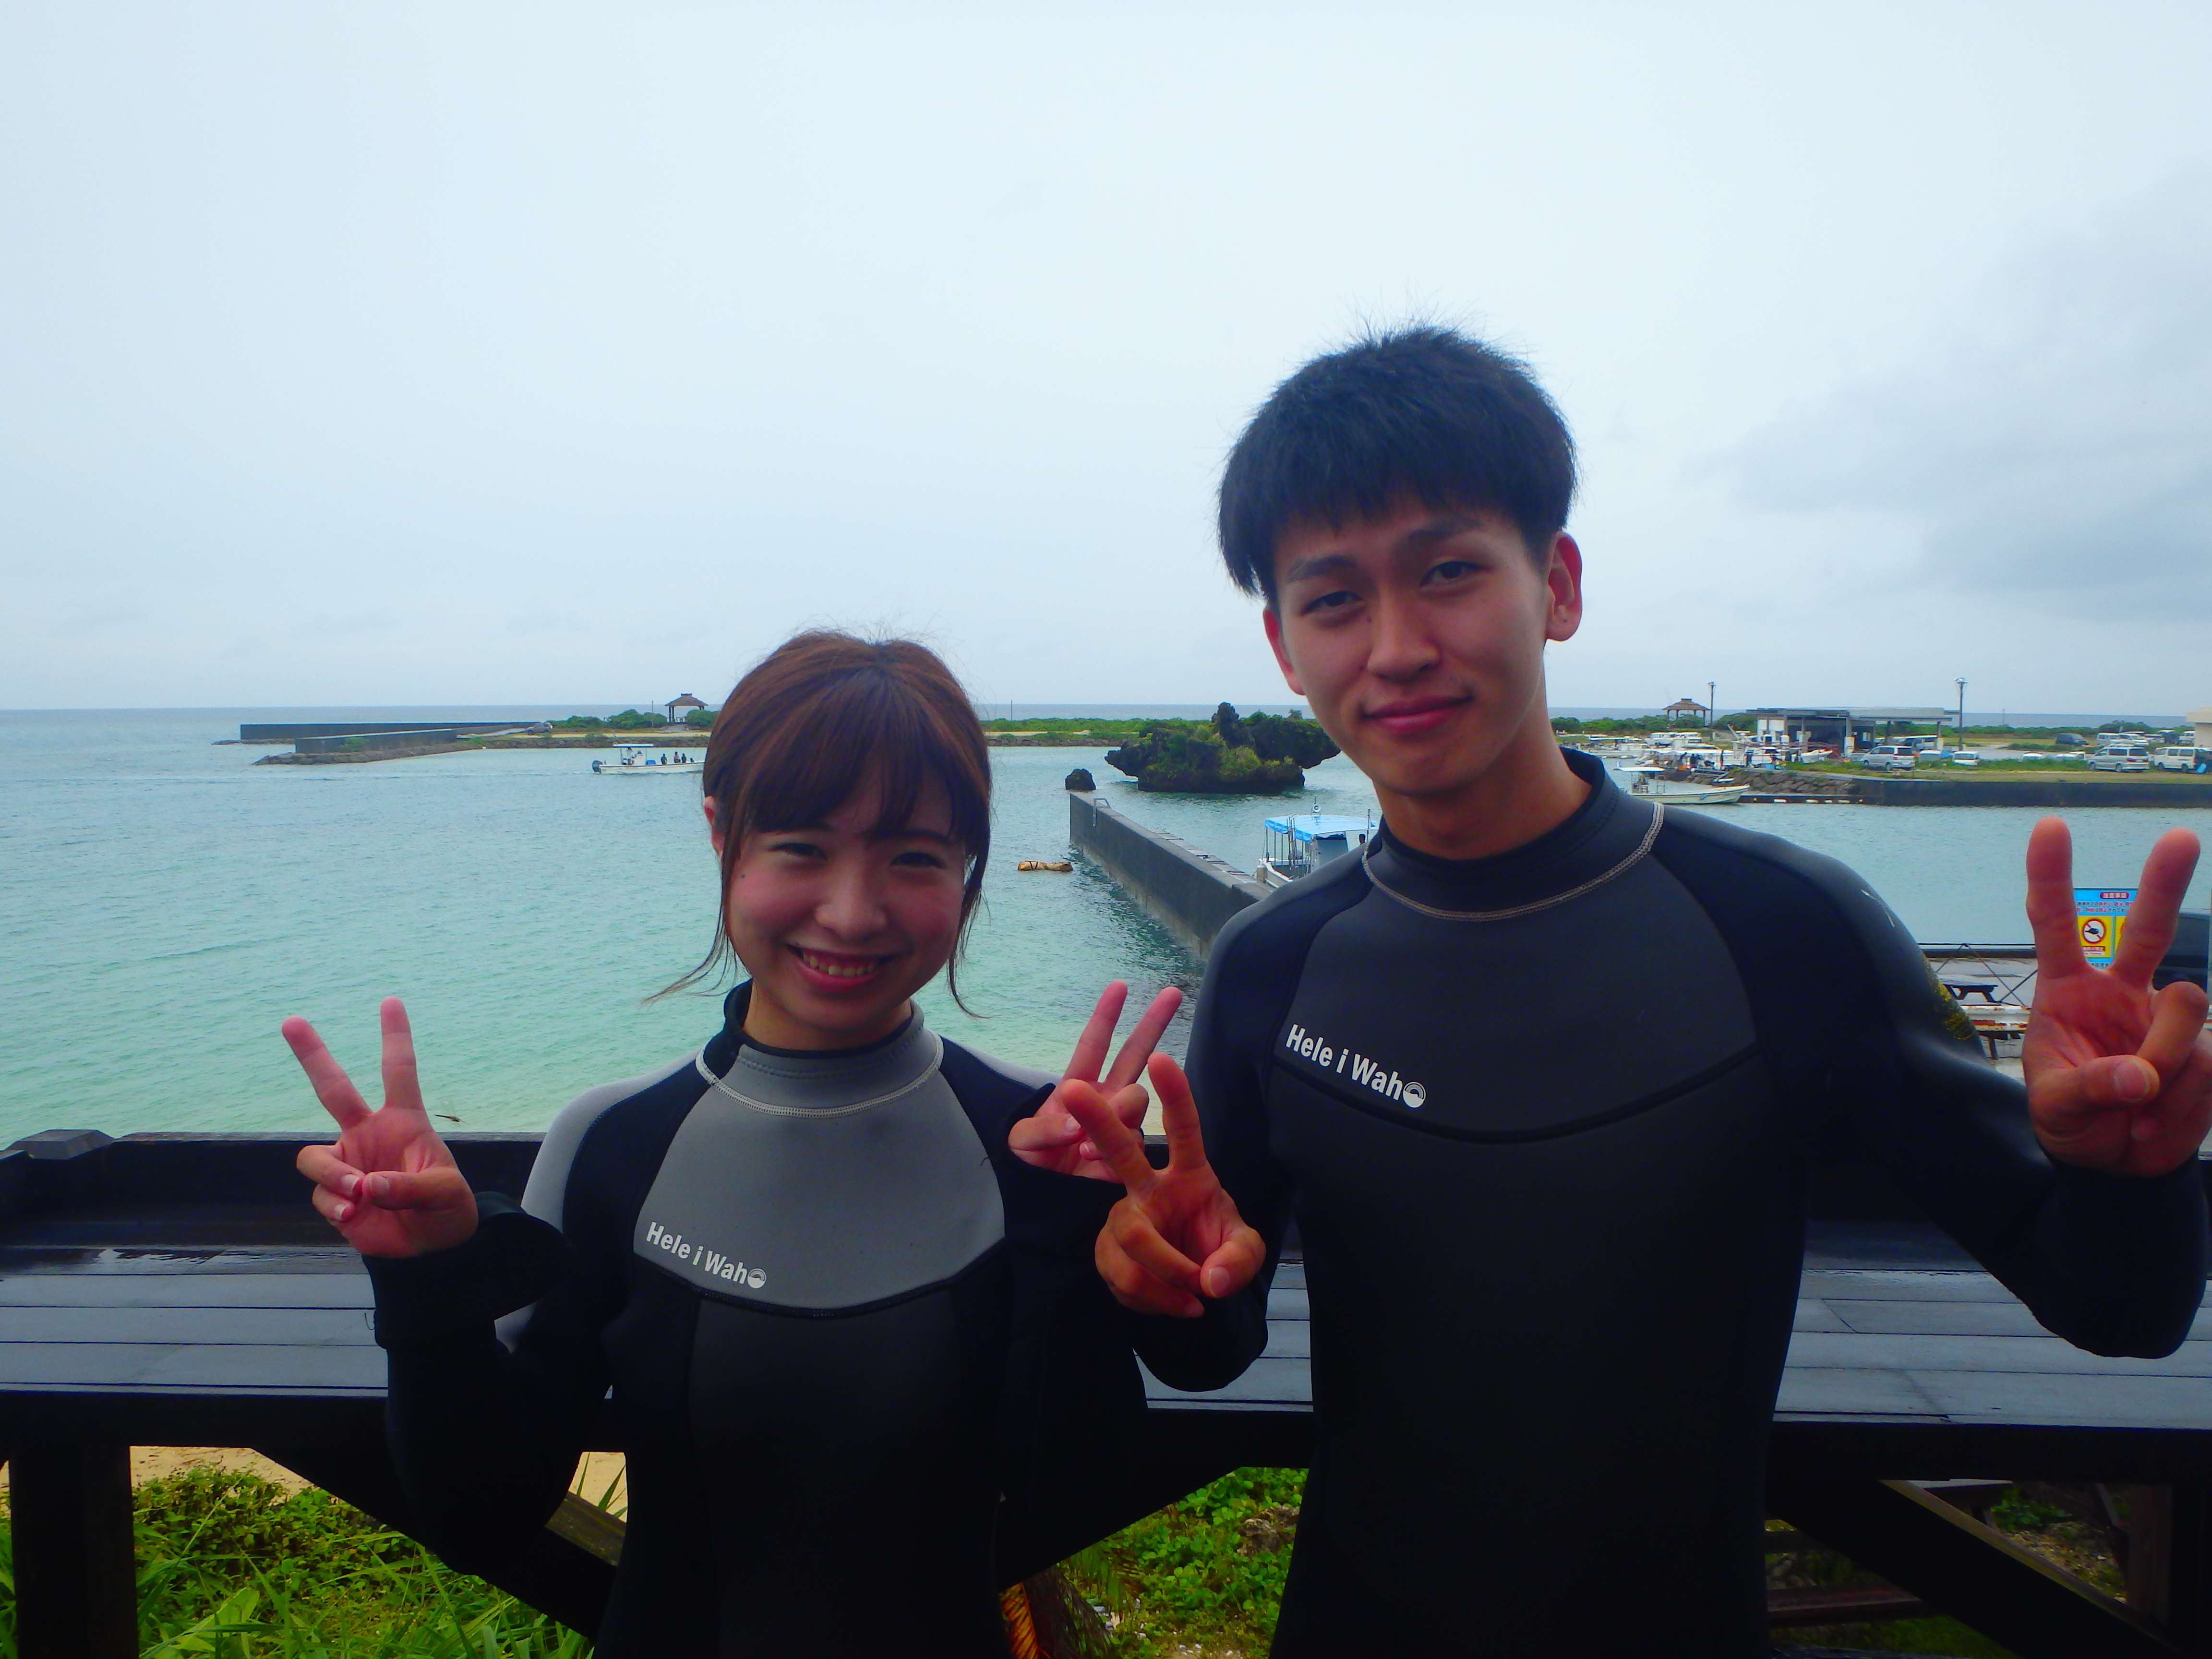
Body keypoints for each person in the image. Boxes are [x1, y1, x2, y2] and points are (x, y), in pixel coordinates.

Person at [1048, 327, 2212, 1655]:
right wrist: (1162, 1284)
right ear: (1282, 645)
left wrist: (2124, 1173)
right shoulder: (1275, 964)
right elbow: (1214, 1345)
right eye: (1334, 600)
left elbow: (2120, 1311)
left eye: (1448, 572)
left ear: (1557, 585)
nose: (1398, 647)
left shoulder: (1784, 931)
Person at [286, 631, 1179, 1658]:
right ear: (722, 833)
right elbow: (480, 1512)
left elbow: (1072, 1494)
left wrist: (1069, 1233)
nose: (852, 913)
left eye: (913, 857)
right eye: (801, 847)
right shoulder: (611, 1146)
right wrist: (427, 1288)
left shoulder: (1041, 1143)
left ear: (968, 867)